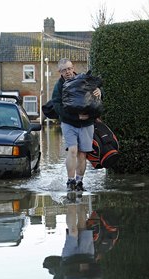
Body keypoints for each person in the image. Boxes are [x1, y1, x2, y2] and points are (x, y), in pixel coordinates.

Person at [43, 199, 102, 279]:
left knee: (73, 231)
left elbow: (58, 275)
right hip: (87, 257)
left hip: (69, 258)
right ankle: (80, 200)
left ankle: (71, 200)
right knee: (82, 225)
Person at [51, 58, 102, 191]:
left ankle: (79, 182)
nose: (67, 72)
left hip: (87, 123)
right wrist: (75, 116)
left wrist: (100, 92)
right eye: (64, 70)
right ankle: (70, 181)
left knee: (82, 154)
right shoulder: (59, 86)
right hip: (69, 123)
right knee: (72, 150)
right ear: (59, 72)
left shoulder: (83, 80)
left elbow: (96, 93)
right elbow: (56, 105)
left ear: (73, 67)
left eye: (69, 68)